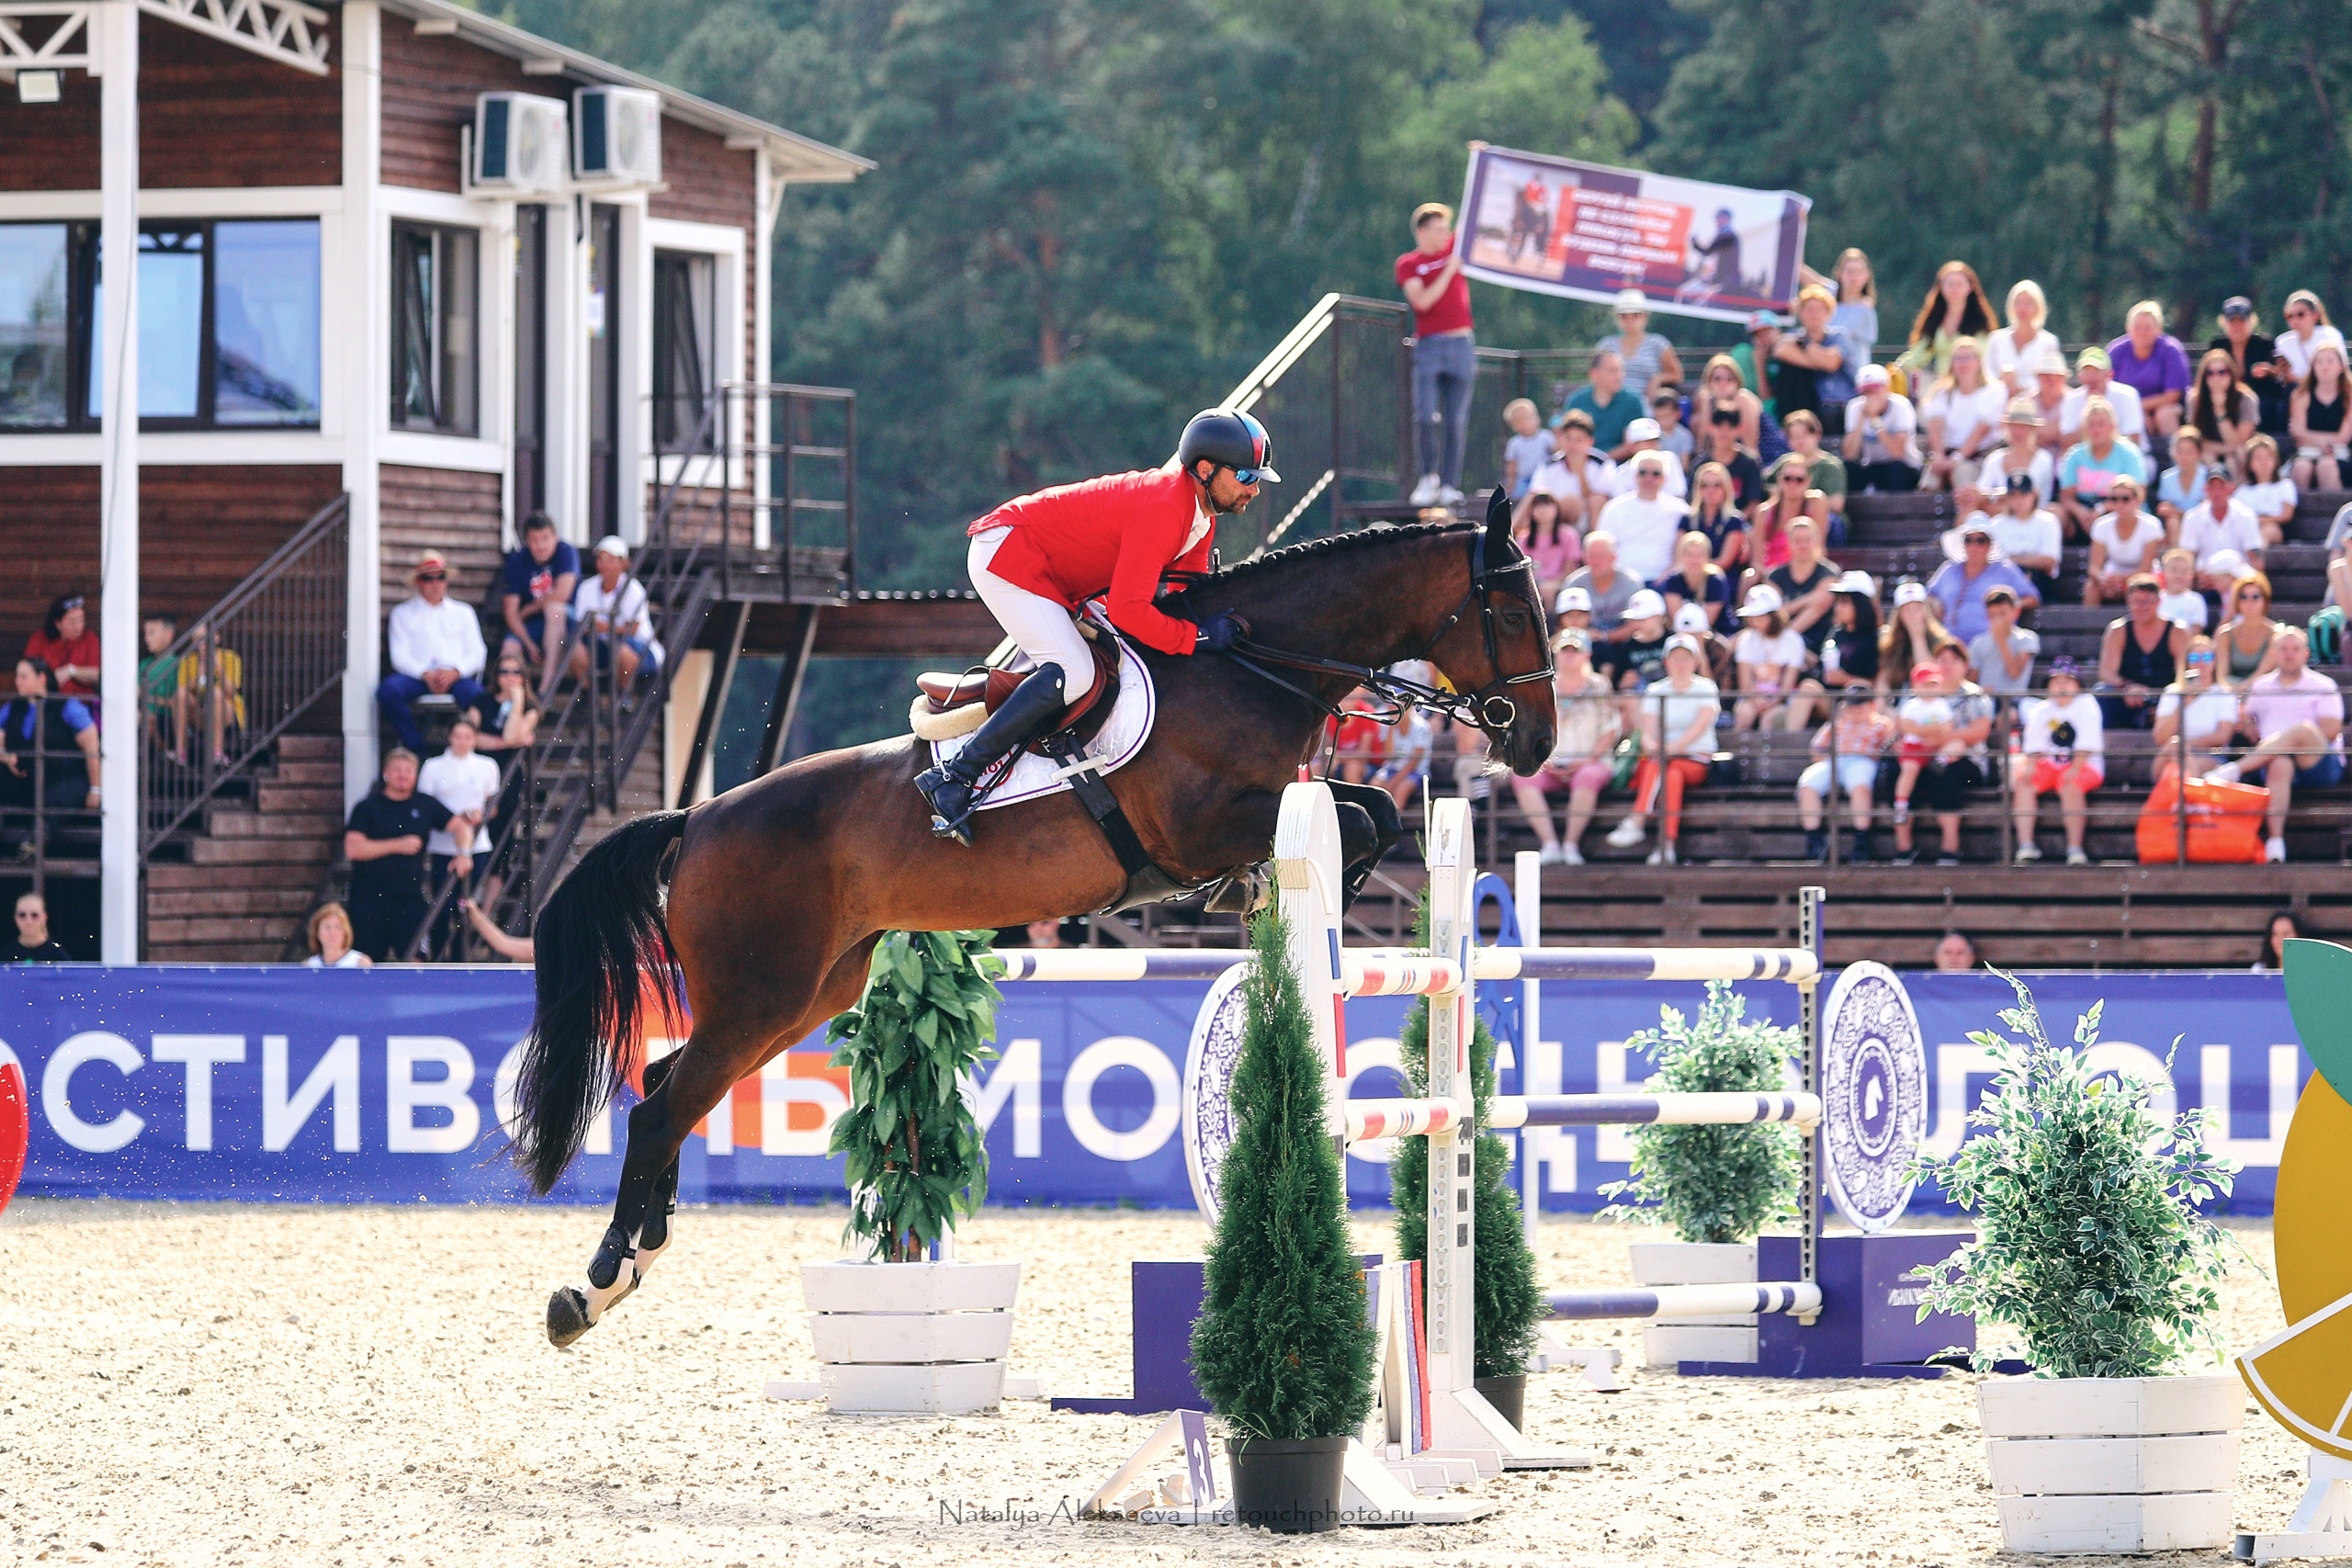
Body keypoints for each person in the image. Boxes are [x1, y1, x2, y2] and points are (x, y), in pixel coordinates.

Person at [918, 408, 1272, 842]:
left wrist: (1212, 633)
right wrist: (1198, 637)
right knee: (1076, 672)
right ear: (1204, 469)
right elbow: (1129, 611)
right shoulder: (1165, 507)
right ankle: (954, 776)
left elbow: (1186, 602)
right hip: (1010, 555)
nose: (1254, 489)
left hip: (1053, 573)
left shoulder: (1200, 519)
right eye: (1246, 476)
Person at [2211, 626, 2346, 862]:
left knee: (2302, 730)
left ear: (2306, 654)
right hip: (2273, 761)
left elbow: (2331, 732)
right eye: (2283, 649)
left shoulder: (2324, 685)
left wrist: (2289, 741)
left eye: (2295, 649)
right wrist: (2248, 725)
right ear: (2273, 654)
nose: (2289, 654)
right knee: (2280, 763)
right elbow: (2245, 719)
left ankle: (2235, 770)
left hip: (2317, 761)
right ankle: (2275, 843)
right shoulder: (2261, 686)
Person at [1603, 634, 1719, 863]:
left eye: (1686, 658)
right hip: (1664, 762)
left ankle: (1637, 820)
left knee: (1663, 767)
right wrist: (1653, 747)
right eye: (1675, 658)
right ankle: (1667, 845)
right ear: (1666, 661)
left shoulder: (1706, 687)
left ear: (1696, 661)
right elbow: (1647, 733)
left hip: (1696, 759)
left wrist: (1668, 749)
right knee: (1670, 774)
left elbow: (1699, 728)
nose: (1680, 663)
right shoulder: (1656, 690)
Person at [1513, 628, 1621, 865]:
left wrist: (1587, 760)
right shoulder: (1543, 686)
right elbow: (1530, 727)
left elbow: (1610, 729)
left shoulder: (1600, 686)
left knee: (1588, 777)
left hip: (1591, 761)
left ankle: (1571, 844)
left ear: (1587, 655)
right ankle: (1550, 843)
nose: (1569, 655)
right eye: (1564, 650)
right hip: (1549, 763)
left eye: (1575, 650)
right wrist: (1542, 760)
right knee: (1523, 776)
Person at [342, 747, 452, 962]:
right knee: (366, 962)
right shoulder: (367, 807)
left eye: (408, 770)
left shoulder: (425, 804)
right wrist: (397, 845)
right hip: (369, 899)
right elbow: (353, 849)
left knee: (416, 960)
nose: (403, 775)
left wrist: (464, 853)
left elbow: (459, 826)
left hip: (409, 899)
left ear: (416, 775)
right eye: (397, 770)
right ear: (386, 773)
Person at [1397, 202, 1474, 508]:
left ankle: (1449, 484)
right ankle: (1427, 477)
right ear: (1422, 231)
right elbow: (1423, 302)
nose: (1445, 235)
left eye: (1446, 229)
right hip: (1429, 345)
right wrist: (1449, 271)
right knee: (1426, 415)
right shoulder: (1409, 264)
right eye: (1439, 230)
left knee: (1456, 420)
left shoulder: (1454, 248)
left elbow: (1474, 214)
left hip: (1462, 344)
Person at [1894, 639, 1996, 865]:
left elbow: (1980, 731)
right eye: (1942, 660)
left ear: (1965, 665)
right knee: (1899, 771)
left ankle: (1950, 847)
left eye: (1954, 660)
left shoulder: (1974, 694)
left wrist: (1942, 739)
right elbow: (1901, 725)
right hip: (1920, 754)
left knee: (1944, 773)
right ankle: (1904, 847)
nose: (1948, 665)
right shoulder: (1916, 693)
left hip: (1965, 758)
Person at [378, 551, 489, 753]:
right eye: (428, 578)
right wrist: (425, 673)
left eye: (440, 577)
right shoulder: (402, 613)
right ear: (418, 582)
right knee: (388, 691)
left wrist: (455, 672)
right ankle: (417, 749)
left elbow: (477, 652)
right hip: (418, 677)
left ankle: (470, 751)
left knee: (479, 697)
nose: (435, 583)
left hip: (454, 676)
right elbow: (398, 656)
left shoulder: (463, 612)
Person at [417, 716, 498, 953]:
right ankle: (440, 953)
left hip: (477, 844)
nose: (462, 742)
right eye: (458, 736)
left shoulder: (487, 765)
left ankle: (463, 953)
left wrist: (480, 815)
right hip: (442, 845)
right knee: (443, 906)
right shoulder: (433, 766)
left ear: (475, 739)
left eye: (468, 737)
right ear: (450, 737)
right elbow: (425, 805)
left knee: (467, 903)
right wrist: (453, 819)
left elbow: (493, 805)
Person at [2013, 656, 2105, 865]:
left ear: (2078, 685)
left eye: (2068, 681)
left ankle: (2075, 850)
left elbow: (2087, 743)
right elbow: (2034, 744)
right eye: (2056, 681)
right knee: (2023, 782)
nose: (2062, 686)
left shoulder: (2087, 704)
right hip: (2051, 765)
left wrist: (2075, 767)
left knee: (2070, 785)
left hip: (2085, 764)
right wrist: (2030, 766)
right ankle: (2026, 846)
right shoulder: (2042, 709)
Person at [1797, 683, 1894, 863]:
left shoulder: (1882, 724)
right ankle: (1815, 841)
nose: (1855, 710)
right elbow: (1817, 748)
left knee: (1860, 785)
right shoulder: (1836, 723)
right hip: (1835, 760)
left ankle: (1862, 840)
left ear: (1872, 705)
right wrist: (1827, 756)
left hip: (1864, 760)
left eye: (1860, 705)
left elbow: (1891, 748)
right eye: (1852, 706)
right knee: (1808, 783)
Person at [0, 657, 99, 818]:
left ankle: (36, 834)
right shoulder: (11, 708)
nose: (18, 682)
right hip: (25, 779)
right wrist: (6, 758)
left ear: (42, 678)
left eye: (24, 677)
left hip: (63, 779)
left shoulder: (69, 707)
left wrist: (96, 789)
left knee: (51, 805)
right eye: (17, 677)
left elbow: (91, 749)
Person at [567, 535, 664, 694]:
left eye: (610, 560)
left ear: (624, 563)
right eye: (601, 560)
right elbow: (581, 625)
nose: (604, 565)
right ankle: (586, 695)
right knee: (574, 649)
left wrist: (604, 627)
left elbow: (633, 629)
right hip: (601, 644)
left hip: (638, 646)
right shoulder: (587, 588)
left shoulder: (633, 589)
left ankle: (623, 695)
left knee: (622, 651)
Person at [1786, 570, 1883, 729]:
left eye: (1845, 603)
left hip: (1860, 706)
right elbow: (1823, 667)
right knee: (1808, 687)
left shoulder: (1878, 638)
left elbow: (1880, 684)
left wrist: (1845, 679)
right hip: (1831, 701)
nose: (1838, 608)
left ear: (1861, 605)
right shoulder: (1836, 633)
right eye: (1838, 602)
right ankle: (1790, 741)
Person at [2095, 574, 2188, 730]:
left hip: (2166, 696)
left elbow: (2184, 672)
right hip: (2129, 696)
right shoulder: (2118, 630)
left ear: (2159, 601)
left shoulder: (2177, 631)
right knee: (2102, 691)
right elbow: (2106, 672)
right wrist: (2127, 687)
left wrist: (2165, 699)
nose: (2142, 607)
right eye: (2137, 602)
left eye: (2148, 602)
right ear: (2128, 602)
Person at [1927, 522, 2038, 645]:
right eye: (1968, 540)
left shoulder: (2005, 570)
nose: (1974, 546)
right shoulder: (1949, 569)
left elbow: (2032, 598)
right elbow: (1928, 595)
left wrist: (2006, 607)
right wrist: (1935, 603)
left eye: (1981, 541)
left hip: (1992, 644)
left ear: (1990, 544)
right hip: (1951, 644)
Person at [499, 512, 579, 680]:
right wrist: (528, 644)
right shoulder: (517, 561)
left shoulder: (566, 552)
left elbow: (562, 594)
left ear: (555, 537)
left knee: (554, 610)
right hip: (533, 624)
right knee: (509, 647)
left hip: (567, 620)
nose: (541, 546)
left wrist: (529, 609)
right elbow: (511, 613)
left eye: (545, 538)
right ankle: (514, 693)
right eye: (534, 540)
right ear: (526, 542)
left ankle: (546, 689)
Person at [2055, 398, 2149, 539]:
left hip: (2117, 507)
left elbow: (2138, 493)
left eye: (2101, 424)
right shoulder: (2075, 455)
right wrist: (2080, 511)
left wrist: (2102, 509)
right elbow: (2066, 496)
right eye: (2091, 425)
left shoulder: (2129, 453)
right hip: (2083, 511)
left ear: (2112, 426)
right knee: (2054, 512)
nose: (2096, 430)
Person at [1919, 337, 2006, 492]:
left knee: (1962, 475)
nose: (1962, 363)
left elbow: (1982, 430)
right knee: (1931, 478)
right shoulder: (1942, 392)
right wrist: (1939, 456)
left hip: (1978, 458)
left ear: (1978, 362)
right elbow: (1935, 425)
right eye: (1958, 359)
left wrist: (1957, 459)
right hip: (1947, 453)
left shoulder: (1994, 391)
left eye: (1967, 358)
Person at [1895, 260, 1998, 387]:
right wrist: (1897, 368)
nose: (1954, 289)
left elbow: (1985, 354)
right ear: (1941, 287)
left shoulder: (1980, 321)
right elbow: (1919, 353)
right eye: (1950, 284)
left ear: (1970, 287)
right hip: (1943, 387)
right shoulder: (1935, 320)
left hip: (1973, 386)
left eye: (1959, 284)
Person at [1770, 286, 1855, 435]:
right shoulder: (1794, 335)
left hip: (1837, 404)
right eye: (1809, 310)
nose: (1814, 315)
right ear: (1801, 313)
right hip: (1809, 400)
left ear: (1828, 313)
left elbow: (1832, 363)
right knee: (1789, 369)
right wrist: (1817, 362)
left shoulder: (1839, 336)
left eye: (1819, 310)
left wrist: (1805, 346)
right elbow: (1781, 350)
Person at [2152, 637, 2239, 782]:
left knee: (2183, 762)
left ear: (2215, 662)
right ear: (2187, 662)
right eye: (2194, 658)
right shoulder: (2172, 692)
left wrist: (2185, 744)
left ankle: (2185, 794)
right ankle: (2189, 793)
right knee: (2175, 748)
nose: (2200, 663)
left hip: (2209, 755)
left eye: (2207, 657)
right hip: (2169, 753)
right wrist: (2184, 702)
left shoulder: (2224, 694)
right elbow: (2160, 737)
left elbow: (2222, 737)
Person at [1595, 452, 1688, 583]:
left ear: (1665, 478)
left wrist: (1670, 574)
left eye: (1656, 473)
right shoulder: (1614, 508)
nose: (1648, 478)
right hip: (1621, 581)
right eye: (1643, 472)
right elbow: (1602, 547)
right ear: (1634, 475)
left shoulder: (1680, 510)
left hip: (1665, 582)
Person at [2109, 300, 2193, 440]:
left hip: (2164, 408)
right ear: (2128, 328)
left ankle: (2172, 451)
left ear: (2159, 329)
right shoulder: (2116, 351)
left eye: (2148, 327)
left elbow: (2172, 395)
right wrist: (2136, 411)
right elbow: (2106, 389)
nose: (2142, 332)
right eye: (2137, 327)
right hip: (2126, 408)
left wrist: (2138, 407)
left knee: (2165, 414)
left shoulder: (2171, 350)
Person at [2211, 296, 2289, 434]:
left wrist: (2268, 371)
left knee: (2267, 406)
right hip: (2225, 396)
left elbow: (2278, 377)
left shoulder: (2265, 344)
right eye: (2232, 322)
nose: (2237, 327)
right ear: (2224, 323)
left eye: (2242, 321)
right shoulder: (2217, 345)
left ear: (2251, 321)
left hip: (2259, 398)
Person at [2178, 470, 2267, 592]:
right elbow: (2187, 558)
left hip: (2239, 584)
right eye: (2212, 487)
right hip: (2204, 584)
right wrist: (2199, 576)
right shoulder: (2192, 517)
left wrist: (2239, 580)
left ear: (2232, 488)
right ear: (2205, 489)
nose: (2217, 492)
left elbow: (2256, 559)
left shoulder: (2246, 515)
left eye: (2222, 487)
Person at [1528, 409, 1619, 529]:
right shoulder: (1549, 464)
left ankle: (1595, 539)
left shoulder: (1603, 464)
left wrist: (1580, 472)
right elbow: (1535, 495)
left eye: (1579, 440)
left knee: (1595, 500)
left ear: (1590, 441)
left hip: (1589, 520)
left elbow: (1599, 500)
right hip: (1555, 520)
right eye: (1569, 439)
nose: (1573, 445)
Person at [1731, 584, 1804, 731]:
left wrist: (1773, 702)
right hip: (1751, 699)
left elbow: (1787, 686)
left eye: (1760, 618)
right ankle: (1739, 747)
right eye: (1752, 618)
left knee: (1770, 720)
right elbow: (1745, 683)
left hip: (1781, 702)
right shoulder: (1746, 639)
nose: (1754, 623)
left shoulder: (1793, 640)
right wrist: (1756, 701)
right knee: (1744, 714)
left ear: (1774, 617)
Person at [1765, 515, 1840, 655]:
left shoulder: (1829, 573)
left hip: (1817, 638)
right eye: (1797, 541)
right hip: (1776, 635)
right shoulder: (1774, 575)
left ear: (1817, 541)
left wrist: (1785, 638)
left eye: (1808, 540)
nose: (1803, 545)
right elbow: (1769, 612)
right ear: (1788, 543)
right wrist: (1808, 599)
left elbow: (1820, 605)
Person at [174, 620, 244, 767]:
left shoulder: (230, 657)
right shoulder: (188, 661)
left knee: (216, 693)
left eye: (205, 638)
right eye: (197, 640)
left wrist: (217, 666)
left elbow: (232, 692)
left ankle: (217, 753)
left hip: (227, 714)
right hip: (200, 713)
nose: (202, 643)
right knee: (180, 693)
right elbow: (182, 694)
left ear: (216, 638)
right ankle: (181, 752)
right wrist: (197, 679)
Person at [1747, 456, 1828, 580]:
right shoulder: (1763, 512)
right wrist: (1772, 579)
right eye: (1787, 479)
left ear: (1808, 481)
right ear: (1779, 480)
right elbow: (1757, 561)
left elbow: (1819, 548)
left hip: (1806, 571)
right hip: (1771, 574)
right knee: (1748, 577)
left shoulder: (1816, 503)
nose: (1793, 484)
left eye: (1799, 479)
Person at [1841, 365, 1919, 492]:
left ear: (1887, 387)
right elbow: (1849, 454)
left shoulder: (1901, 406)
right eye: (1866, 391)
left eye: (1875, 390)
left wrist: (1875, 419)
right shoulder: (1855, 407)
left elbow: (1897, 453)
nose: (1870, 396)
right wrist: (1861, 419)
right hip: (1873, 465)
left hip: (1904, 467)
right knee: (1849, 468)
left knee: (1896, 469)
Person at [2084, 477, 2160, 605]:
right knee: (2091, 587)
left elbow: (2146, 567)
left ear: (2137, 500)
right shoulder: (2101, 525)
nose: (2119, 504)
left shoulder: (2151, 525)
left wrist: (2121, 580)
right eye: (2114, 499)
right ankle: (2089, 619)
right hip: (2112, 576)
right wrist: (2104, 579)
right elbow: (2094, 567)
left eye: (2125, 499)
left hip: (2143, 577)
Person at [2290, 328, 2350, 491]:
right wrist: (2325, 442)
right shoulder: (2300, 396)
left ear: (2341, 366)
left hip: (2340, 454)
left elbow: (2343, 437)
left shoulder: (2349, 397)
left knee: (2326, 466)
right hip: (2307, 452)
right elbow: (2298, 432)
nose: (2324, 367)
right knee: (2301, 468)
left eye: (2330, 361)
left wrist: (2314, 439)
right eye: (2319, 362)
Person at [1985, 473, 2063, 599]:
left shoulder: (2048, 521)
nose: (2018, 501)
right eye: (2013, 495)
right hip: (2003, 579)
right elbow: (1991, 559)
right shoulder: (1996, 524)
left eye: (2023, 494)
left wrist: (2013, 561)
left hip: (2039, 580)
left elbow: (2049, 560)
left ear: (2034, 494)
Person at [1597, 289, 1683, 401]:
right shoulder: (1606, 345)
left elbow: (1677, 374)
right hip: (1614, 402)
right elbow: (1597, 375)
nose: (1630, 320)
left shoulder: (1658, 344)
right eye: (1624, 316)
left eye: (1636, 315)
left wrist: (1657, 379)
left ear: (1645, 317)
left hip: (1648, 402)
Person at [2060, 346, 2148, 454]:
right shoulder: (2071, 399)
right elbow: (2066, 443)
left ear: (2110, 374)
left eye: (2097, 371)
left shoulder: (2127, 395)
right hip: (2086, 457)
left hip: (2124, 457)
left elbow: (2133, 439)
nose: (2092, 377)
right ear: (2079, 376)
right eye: (2087, 371)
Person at [2187, 346, 2259, 476]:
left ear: (2231, 374)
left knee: (2234, 459)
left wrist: (2220, 410)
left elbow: (2239, 442)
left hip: (2238, 454)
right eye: (2210, 373)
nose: (2216, 378)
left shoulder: (2246, 399)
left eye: (2222, 372)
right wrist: (2225, 449)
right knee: (2207, 457)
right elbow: (2196, 440)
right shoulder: (2195, 400)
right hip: (2209, 452)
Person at [1566, 347, 1648, 460]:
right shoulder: (1577, 401)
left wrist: (1602, 462)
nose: (1619, 376)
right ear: (1594, 374)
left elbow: (1633, 444)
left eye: (1621, 371)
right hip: (1581, 465)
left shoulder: (1633, 402)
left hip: (1621, 466)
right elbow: (1568, 439)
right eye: (1612, 371)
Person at [1780, 410, 1849, 538]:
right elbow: (1766, 487)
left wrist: (1801, 498)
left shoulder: (1830, 465)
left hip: (1821, 521)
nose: (1800, 441)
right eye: (1794, 436)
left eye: (1804, 435)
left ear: (1817, 434)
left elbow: (1836, 504)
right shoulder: (1784, 464)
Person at [1984, 279, 2060, 397]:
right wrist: (2002, 382)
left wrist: (2020, 387)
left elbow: (2050, 376)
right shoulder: (1996, 339)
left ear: (2038, 307)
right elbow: (1987, 372)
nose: (2022, 308)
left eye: (2028, 303)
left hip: (2034, 403)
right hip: (1998, 400)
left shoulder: (2049, 342)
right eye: (2018, 303)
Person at [1878, 581, 1953, 693]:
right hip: (1900, 697)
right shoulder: (1890, 642)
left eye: (1917, 609)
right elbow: (1884, 678)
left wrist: (1918, 638)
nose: (1913, 615)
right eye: (1907, 610)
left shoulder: (1940, 639)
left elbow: (1929, 675)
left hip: (1930, 696)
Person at [24, 592, 100, 700]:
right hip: (45, 702)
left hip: (82, 703)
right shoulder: (39, 639)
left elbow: (97, 675)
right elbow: (27, 671)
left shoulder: (90, 639)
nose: (79, 627)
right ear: (58, 624)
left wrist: (72, 671)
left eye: (81, 620)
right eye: (72, 622)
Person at [2214, 570, 2283, 689]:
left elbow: (2264, 672)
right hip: (2231, 691)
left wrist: (2245, 688)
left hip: (2264, 690)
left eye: (2255, 597)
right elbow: (2222, 676)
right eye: (2243, 597)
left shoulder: (2276, 634)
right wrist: (2232, 690)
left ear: (2265, 600)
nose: (2249, 602)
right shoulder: (2225, 634)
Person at [1979, 399, 2054, 506]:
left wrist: (1995, 496)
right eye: (2013, 426)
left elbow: (2035, 496)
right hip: (1996, 513)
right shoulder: (1994, 459)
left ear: (2033, 429)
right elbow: (1981, 491)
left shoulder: (2044, 459)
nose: (2018, 432)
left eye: (2023, 426)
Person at [1656, 529, 1733, 634]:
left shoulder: (1715, 581)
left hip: (1716, 632)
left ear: (1707, 557)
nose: (1694, 561)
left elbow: (1706, 623)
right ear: (1681, 556)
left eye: (1699, 555)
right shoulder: (1673, 580)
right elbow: (1678, 621)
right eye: (1690, 555)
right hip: (1682, 633)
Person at [1968, 586, 2040, 698]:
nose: (1998, 619)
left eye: (2002, 614)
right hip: (1985, 700)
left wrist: (2001, 640)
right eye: (1992, 615)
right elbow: (1971, 679)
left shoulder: (2027, 639)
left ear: (2016, 611)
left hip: (2014, 701)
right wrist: (1980, 691)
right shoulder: (1978, 642)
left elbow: (2014, 673)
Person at [1513, 490, 1581, 605]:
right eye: (1538, 506)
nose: (1543, 510)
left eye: (1547, 505)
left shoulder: (1569, 535)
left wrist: (1553, 583)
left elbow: (1571, 568)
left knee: (1547, 591)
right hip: (1531, 583)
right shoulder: (1524, 539)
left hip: (1560, 583)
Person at [1697, 399, 1766, 511]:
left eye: (1730, 427)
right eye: (1719, 426)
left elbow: (1754, 502)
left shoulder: (1750, 463)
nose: (1724, 432)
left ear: (1740, 429)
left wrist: (1737, 520)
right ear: (1710, 428)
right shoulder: (1700, 464)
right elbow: (1694, 500)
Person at [1692, 354, 1763, 457]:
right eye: (1717, 379)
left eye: (1729, 379)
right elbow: (1703, 440)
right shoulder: (1708, 400)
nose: (1723, 383)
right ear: (1709, 382)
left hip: (1763, 452)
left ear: (1737, 381)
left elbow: (1751, 446)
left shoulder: (1743, 398)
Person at [1687, 461, 1750, 576]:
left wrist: (1694, 566)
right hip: (1689, 577)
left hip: (1721, 578)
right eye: (1704, 485)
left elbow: (1724, 562)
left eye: (1717, 485)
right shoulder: (1687, 519)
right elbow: (1679, 556)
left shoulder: (1734, 521)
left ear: (1726, 488)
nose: (1710, 490)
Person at [2238, 434, 2298, 547]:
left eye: (2268, 457)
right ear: (2249, 464)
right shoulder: (2242, 491)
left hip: (2276, 527)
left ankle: (2257, 554)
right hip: (2248, 527)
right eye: (2258, 458)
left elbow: (2286, 515)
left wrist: (2261, 521)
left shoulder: (2285, 485)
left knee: (2268, 530)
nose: (2263, 462)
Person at [138, 610, 178, 755]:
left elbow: (176, 702)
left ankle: (164, 752)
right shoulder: (144, 664)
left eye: (152, 633)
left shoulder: (178, 664)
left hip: (167, 719)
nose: (146, 639)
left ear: (168, 635)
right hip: (144, 716)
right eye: (145, 634)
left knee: (143, 717)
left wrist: (147, 698)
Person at [2154, 428, 2210, 529]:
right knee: (2172, 521)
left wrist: (2179, 512)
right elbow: (2165, 507)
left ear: (2199, 453)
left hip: (2203, 525)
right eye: (2180, 451)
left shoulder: (2208, 476)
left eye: (2190, 452)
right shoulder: (2166, 477)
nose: (2184, 457)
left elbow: (2206, 511)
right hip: (2178, 525)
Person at [1619, 418, 1688, 497]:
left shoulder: (1669, 460)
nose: (1654, 445)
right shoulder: (1621, 473)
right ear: (1632, 446)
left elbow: (1678, 495)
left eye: (1656, 441)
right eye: (1648, 442)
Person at [2278, 290, 2335, 383]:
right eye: (2290, 316)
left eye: (2301, 314)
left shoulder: (2329, 336)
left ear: (2315, 315)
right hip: (2294, 390)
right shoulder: (2283, 342)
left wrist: (2298, 379)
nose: (2295, 320)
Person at [1501, 398, 1551, 500]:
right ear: (1516, 426)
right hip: (1523, 479)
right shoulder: (1515, 443)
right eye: (1527, 419)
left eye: (1534, 417)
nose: (1533, 421)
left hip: (1543, 476)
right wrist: (1511, 484)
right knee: (1519, 494)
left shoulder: (1546, 437)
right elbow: (1512, 465)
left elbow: (1555, 453)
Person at [460, 897, 535, 963]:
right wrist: (475, 913)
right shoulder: (539, 945)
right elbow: (503, 943)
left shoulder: (540, 947)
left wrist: (476, 915)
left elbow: (503, 943)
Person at [302, 901, 372, 970]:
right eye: (327, 927)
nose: (332, 933)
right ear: (317, 932)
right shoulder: (308, 966)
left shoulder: (360, 964)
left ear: (346, 932)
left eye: (338, 927)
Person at [2156, 547, 2210, 632]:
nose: (2178, 576)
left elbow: (2196, 630)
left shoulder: (2196, 600)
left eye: (2184, 571)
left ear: (2191, 574)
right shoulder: (2155, 599)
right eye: (2174, 570)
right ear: (2164, 572)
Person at [10, 890, 73, 961]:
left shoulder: (59, 957)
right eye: (22, 915)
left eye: (34, 915)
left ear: (44, 917)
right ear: (15, 917)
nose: (28, 921)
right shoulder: (6, 957)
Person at [1650, 389, 1693, 467]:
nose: (1663, 420)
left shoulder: (1685, 436)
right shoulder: (1650, 435)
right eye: (1660, 416)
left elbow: (1684, 464)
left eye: (1666, 415)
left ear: (1678, 413)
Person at [2254, 909, 2304, 973]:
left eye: (2286, 933)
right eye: (2275, 934)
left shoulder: (2311, 969)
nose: (2280, 939)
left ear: (2298, 935)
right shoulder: (2259, 970)